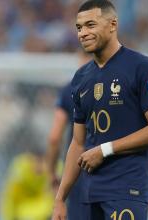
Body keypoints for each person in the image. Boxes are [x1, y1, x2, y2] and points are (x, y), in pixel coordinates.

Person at [52, 1, 148, 220]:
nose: (83, 33)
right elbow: (77, 143)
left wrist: (105, 149)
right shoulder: (80, 79)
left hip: (127, 189)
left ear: (112, 24)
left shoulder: (142, 67)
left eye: (90, 25)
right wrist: (60, 199)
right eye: (79, 28)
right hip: (88, 193)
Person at [45, 50, 91, 220]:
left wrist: (51, 174)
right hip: (110, 167)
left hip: (78, 167)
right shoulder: (115, 87)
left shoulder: (69, 90)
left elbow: (54, 137)